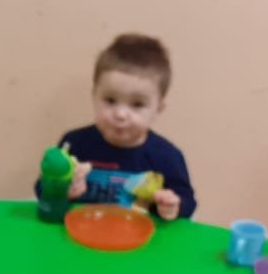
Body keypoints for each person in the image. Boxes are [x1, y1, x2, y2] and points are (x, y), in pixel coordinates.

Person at [35, 34, 196, 220]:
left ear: (158, 109)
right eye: (110, 100)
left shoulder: (167, 156)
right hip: (79, 233)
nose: (120, 114)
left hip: (140, 236)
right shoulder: (74, 143)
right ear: (94, 96)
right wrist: (62, 190)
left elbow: (188, 203)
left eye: (137, 104)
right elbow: (42, 189)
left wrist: (172, 206)